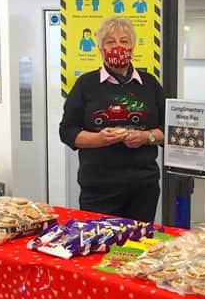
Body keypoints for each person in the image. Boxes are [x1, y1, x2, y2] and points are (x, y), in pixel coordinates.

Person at [59, 17, 164, 222]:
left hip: (143, 186)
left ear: (133, 46)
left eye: (124, 41)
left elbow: (168, 130)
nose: (118, 46)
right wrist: (98, 140)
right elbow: (67, 131)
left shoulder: (150, 84)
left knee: (137, 247)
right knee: (100, 247)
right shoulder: (86, 84)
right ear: (100, 48)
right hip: (98, 188)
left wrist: (145, 137)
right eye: (110, 42)